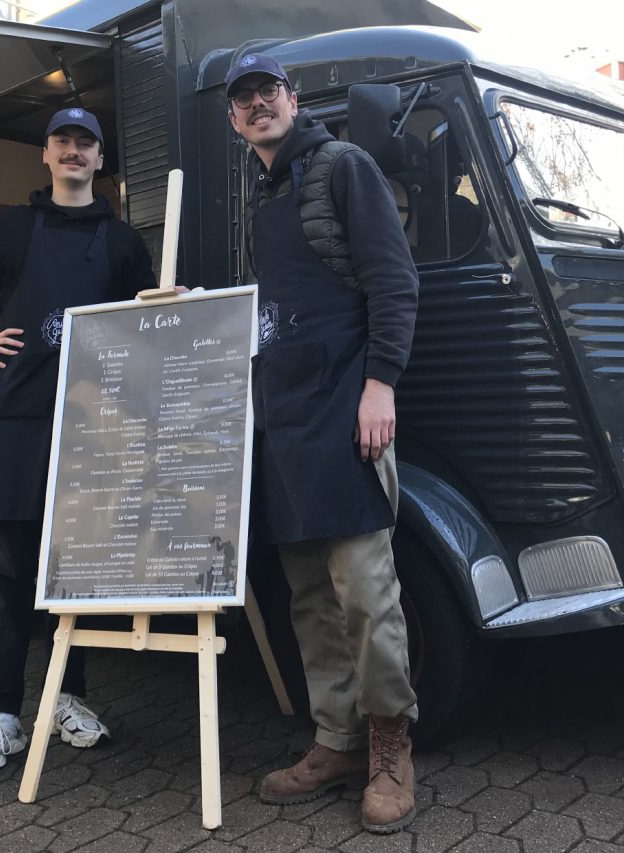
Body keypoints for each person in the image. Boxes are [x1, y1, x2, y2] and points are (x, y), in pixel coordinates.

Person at [0, 108, 158, 779]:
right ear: (46, 155)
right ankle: (0, 716)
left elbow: (145, 321)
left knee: (74, 572)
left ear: (99, 156)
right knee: (7, 573)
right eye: (63, 141)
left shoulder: (121, 242)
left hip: (93, 428)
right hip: (17, 422)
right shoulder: (13, 228)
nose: (74, 151)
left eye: (86, 141)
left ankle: (69, 698)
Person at [224, 54, 421, 833]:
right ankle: (336, 739)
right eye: (242, 100)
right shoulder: (259, 193)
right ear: (234, 120)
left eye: (267, 92)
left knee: (368, 593)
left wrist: (381, 384)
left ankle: (390, 745)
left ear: (292, 99)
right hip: (285, 419)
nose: (256, 106)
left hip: (348, 407)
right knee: (308, 596)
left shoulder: (343, 165)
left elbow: (394, 281)